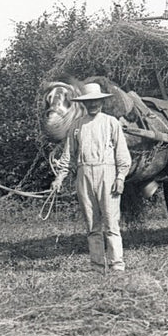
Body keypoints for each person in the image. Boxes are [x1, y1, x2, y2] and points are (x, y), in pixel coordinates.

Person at [50, 82, 133, 271]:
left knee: (111, 223)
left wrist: (120, 177)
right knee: (92, 224)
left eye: (96, 101)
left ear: (102, 102)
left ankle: (117, 265)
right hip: (84, 173)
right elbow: (68, 155)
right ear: (84, 104)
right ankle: (97, 265)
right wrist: (59, 178)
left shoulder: (111, 122)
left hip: (108, 174)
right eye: (89, 102)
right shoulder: (77, 126)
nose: (93, 105)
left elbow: (122, 154)